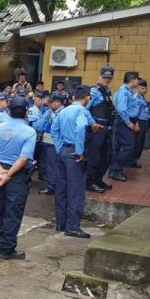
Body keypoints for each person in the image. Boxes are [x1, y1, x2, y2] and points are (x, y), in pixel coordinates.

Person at [0, 96, 37, 260]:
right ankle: (6, 249)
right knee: (13, 211)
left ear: (8, 110)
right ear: (26, 111)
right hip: (17, 175)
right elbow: (23, 159)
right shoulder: (29, 131)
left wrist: (1, 171)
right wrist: (8, 174)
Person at [51, 86, 93, 238]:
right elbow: (81, 127)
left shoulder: (63, 111)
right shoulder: (81, 111)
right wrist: (80, 151)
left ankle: (61, 223)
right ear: (87, 97)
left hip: (63, 151)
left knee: (61, 189)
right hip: (74, 153)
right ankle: (73, 227)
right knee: (75, 191)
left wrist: (59, 148)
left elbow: (54, 130)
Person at [108, 71, 141, 182]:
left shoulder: (128, 91)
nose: (138, 81)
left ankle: (113, 170)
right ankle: (117, 170)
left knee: (118, 147)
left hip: (125, 121)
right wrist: (128, 122)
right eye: (137, 79)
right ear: (132, 80)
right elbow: (122, 109)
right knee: (129, 146)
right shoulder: (123, 91)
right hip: (124, 122)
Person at [85, 66, 112, 192]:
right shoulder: (94, 91)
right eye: (105, 77)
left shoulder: (107, 91)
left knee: (105, 157)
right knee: (94, 157)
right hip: (96, 129)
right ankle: (90, 182)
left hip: (106, 128)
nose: (107, 80)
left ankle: (98, 179)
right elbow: (85, 110)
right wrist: (92, 124)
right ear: (100, 77)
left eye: (109, 78)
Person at [37, 92, 66, 195]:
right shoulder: (51, 112)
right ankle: (54, 186)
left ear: (58, 102)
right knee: (52, 166)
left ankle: (52, 187)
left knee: (53, 166)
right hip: (49, 142)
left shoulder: (62, 113)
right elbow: (40, 126)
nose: (49, 104)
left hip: (56, 143)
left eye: (51, 102)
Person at [130, 79, 150, 168]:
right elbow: (135, 113)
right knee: (137, 142)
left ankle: (134, 159)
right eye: (142, 88)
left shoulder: (142, 98)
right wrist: (136, 123)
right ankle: (132, 160)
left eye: (146, 88)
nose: (144, 90)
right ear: (137, 88)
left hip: (143, 121)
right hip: (138, 122)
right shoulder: (136, 98)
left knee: (141, 142)